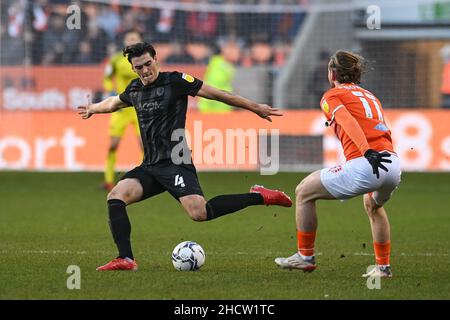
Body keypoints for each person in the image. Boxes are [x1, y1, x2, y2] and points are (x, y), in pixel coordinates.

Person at [77, 42, 292, 271]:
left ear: (156, 60)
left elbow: (217, 94)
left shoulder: (176, 81)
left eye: (148, 64)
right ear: (133, 68)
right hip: (150, 165)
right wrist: (93, 109)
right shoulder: (134, 89)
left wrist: (253, 107)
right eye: (139, 67)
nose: (145, 70)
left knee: (199, 213)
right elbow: (113, 103)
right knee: (116, 196)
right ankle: (126, 259)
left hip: (175, 162)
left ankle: (258, 196)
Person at [275, 50, 401, 278]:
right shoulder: (370, 96)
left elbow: (347, 120)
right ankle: (383, 268)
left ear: (332, 73)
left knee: (303, 192)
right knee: (374, 207)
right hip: (391, 164)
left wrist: (366, 151)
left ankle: (305, 256)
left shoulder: (331, 96)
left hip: (367, 161)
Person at [102, 31, 144, 191]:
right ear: (125, 42)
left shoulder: (146, 60)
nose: (132, 41)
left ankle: (143, 177)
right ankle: (108, 179)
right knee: (113, 144)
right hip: (121, 107)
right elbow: (106, 77)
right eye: (129, 39)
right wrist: (110, 90)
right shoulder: (116, 60)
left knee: (143, 146)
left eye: (135, 39)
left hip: (139, 108)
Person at [198, 40, 240, 113]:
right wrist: (204, 110)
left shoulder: (226, 66)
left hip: (223, 109)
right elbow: (211, 88)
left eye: (237, 51)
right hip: (214, 112)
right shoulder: (220, 67)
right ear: (224, 51)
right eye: (232, 50)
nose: (236, 53)